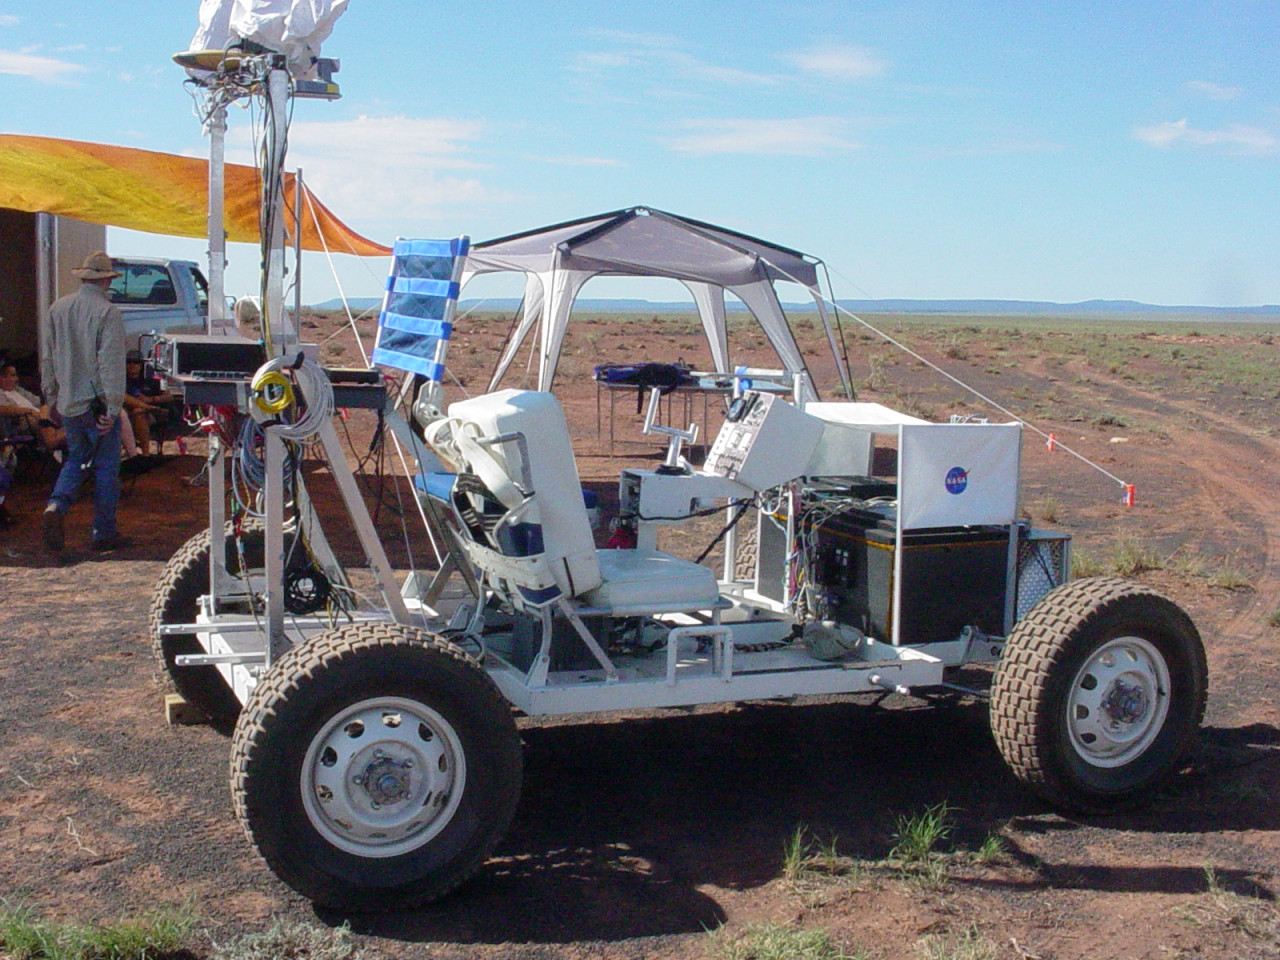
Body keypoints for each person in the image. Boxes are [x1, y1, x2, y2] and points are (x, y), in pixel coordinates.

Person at [40, 250, 127, 555]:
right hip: (97, 404)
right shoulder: (108, 312)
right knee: (105, 468)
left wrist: (51, 396)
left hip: (68, 402)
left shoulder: (58, 308)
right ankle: (103, 532)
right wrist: (113, 407)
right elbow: (110, 364)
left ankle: (56, 506)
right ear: (106, 280)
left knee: (75, 459)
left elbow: (48, 356)